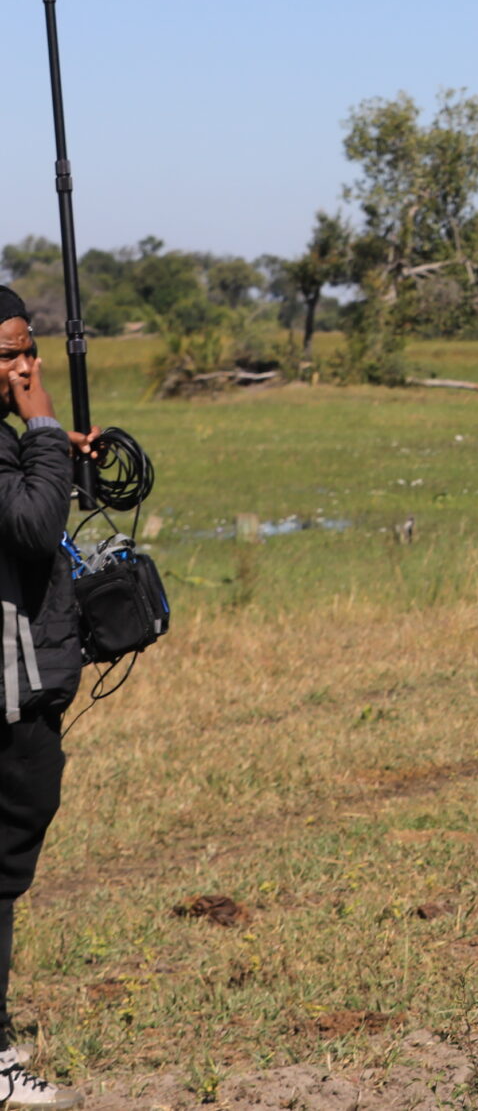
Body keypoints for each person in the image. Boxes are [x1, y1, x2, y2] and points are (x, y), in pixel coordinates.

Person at [0, 286, 90, 1106]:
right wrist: (45, 429)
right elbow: (31, 526)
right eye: (9, 354)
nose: (26, 366)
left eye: (30, 349)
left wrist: (51, 446)